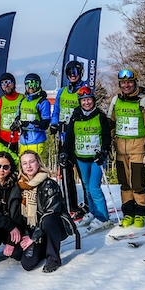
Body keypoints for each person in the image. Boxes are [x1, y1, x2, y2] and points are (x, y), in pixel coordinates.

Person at [107, 68, 145, 227]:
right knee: (124, 183)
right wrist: (108, 147)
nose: (126, 85)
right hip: (121, 150)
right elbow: (110, 124)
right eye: (123, 83)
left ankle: (141, 212)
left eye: (129, 82)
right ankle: (128, 212)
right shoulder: (116, 100)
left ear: (135, 82)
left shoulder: (144, 100)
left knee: (137, 182)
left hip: (138, 148)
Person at [17, 150, 79, 273]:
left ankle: (53, 259)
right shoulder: (19, 186)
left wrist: (33, 238)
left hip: (53, 227)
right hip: (33, 230)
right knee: (27, 264)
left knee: (48, 220)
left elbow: (51, 211)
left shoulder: (49, 184)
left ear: (38, 163)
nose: (28, 166)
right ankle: (42, 248)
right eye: (24, 163)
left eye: (32, 162)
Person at [64, 86, 114, 233]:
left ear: (93, 100)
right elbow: (69, 138)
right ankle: (92, 212)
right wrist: (65, 152)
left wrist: (104, 151)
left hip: (96, 158)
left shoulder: (100, 116)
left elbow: (106, 136)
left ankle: (103, 217)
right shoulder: (75, 117)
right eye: (83, 100)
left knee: (94, 187)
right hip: (81, 157)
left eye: (88, 99)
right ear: (80, 102)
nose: (86, 103)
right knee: (86, 187)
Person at [50, 60, 88, 217]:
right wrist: (53, 123)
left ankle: (88, 203)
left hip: (79, 138)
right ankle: (70, 204)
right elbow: (57, 110)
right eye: (69, 72)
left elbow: (88, 108)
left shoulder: (84, 90)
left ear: (80, 73)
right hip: (63, 137)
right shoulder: (62, 91)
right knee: (65, 171)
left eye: (75, 72)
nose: (72, 75)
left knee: (83, 172)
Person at [12, 73, 51, 156]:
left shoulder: (42, 102)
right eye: (28, 83)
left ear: (38, 84)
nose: (30, 86)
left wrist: (28, 124)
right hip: (23, 142)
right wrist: (15, 125)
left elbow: (45, 124)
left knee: (36, 167)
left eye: (33, 83)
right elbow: (18, 117)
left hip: (36, 141)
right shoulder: (22, 101)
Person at [0, 72, 23, 154]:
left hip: (21, 139)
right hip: (4, 140)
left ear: (13, 83)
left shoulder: (22, 98)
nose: (6, 85)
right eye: (3, 83)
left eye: (8, 82)